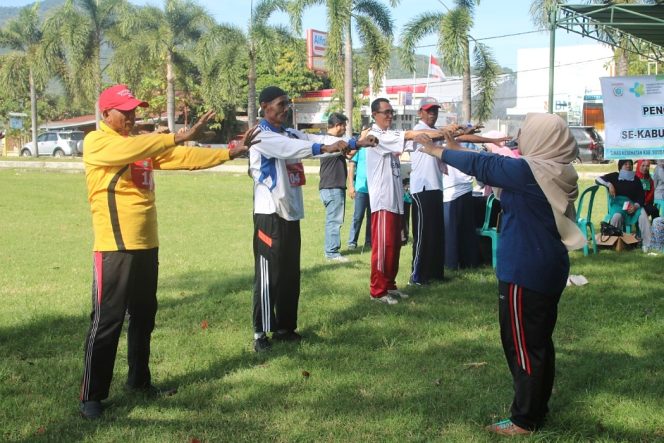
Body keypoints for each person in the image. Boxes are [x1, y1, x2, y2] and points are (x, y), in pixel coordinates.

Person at [79, 84, 254, 420]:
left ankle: (139, 381)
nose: (132, 116)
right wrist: (176, 136)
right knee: (107, 321)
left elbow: (181, 157)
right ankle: (92, 396)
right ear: (105, 115)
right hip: (115, 246)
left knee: (144, 316)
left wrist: (228, 152)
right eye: (125, 111)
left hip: (147, 243)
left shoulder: (138, 144)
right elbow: (160, 146)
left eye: (134, 110)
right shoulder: (97, 142)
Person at [416, 112, 586, 435]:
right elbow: (488, 164)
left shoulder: (528, 172)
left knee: (522, 345)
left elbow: (486, 166)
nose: (521, 137)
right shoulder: (556, 168)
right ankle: (537, 407)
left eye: (526, 132)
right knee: (538, 343)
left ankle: (524, 419)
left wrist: (436, 150)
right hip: (545, 267)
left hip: (526, 271)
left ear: (542, 138)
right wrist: (457, 147)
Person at [249, 86, 376, 352]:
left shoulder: (289, 131)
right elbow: (293, 148)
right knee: (268, 275)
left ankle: (285, 327)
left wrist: (353, 142)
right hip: (269, 213)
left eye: (287, 105)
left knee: (289, 273)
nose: (285, 109)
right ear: (264, 106)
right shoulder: (260, 135)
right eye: (280, 104)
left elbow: (308, 139)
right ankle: (261, 334)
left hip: (290, 212)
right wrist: (326, 145)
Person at [365, 98, 455, 304]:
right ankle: (377, 290)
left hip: (396, 200)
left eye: (391, 112)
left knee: (394, 246)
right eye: (385, 112)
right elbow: (411, 134)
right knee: (383, 247)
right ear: (374, 115)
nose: (389, 116)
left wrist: (450, 132)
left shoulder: (388, 135)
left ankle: (389, 285)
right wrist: (446, 132)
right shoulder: (375, 135)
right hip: (383, 201)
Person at [407, 97, 445, 285]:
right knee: (422, 234)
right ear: (420, 112)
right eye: (429, 110)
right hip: (421, 188)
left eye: (435, 110)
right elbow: (431, 136)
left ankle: (436, 273)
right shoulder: (416, 131)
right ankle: (417, 275)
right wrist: (449, 132)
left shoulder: (438, 132)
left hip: (436, 186)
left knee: (436, 232)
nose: (432, 114)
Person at [595, 159, 651, 250]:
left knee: (643, 214)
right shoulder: (614, 176)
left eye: (630, 164)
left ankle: (648, 244)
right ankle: (611, 243)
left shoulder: (636, 179)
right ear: (620, 166)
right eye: (625, 164)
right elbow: (598, 179)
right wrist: (609, 184)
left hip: (632, 206)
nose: (628, 166)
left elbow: (641, 196)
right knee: (617, 216)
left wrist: (636, 206)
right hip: (618, 205)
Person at [319, 112, 351, 262]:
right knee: (334, 220)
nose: (345, 128)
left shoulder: (332, 142)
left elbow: (350, 153)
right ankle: (331, 253)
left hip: (332, 186)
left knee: (334, 219)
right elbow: (350, 147)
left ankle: (331, 250)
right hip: (332, 187)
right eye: (344, 125)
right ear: (337, 125)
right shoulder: (330, 141)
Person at [347, 147, 371, 250]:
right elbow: (351, 166)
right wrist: (351, 186)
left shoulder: (377, 147)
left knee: (372, 217)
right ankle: (352, 242)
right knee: (357, 217)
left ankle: (369, 242)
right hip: (360, 188)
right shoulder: (360, 148)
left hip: (374, 190)